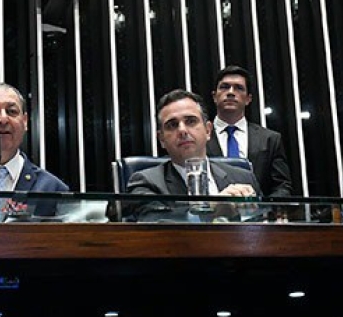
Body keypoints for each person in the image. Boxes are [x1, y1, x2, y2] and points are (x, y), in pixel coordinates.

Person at [124, 89, 259, 221]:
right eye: (172, 125)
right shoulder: (145, 182)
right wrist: (211, 209)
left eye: (190, 121)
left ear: (208, 130)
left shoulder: (244, 177)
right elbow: (156, 224)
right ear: (162, 139)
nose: (182, 130)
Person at [206, 65, 293, 198]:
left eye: (239, 88)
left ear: (248, 99)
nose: (230, 92)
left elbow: (282, 186)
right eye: (224, 87)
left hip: (258, 215)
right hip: (210, 214)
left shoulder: (269, 139)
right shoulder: (198, 137)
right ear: (214, 96)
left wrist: (264, 210)